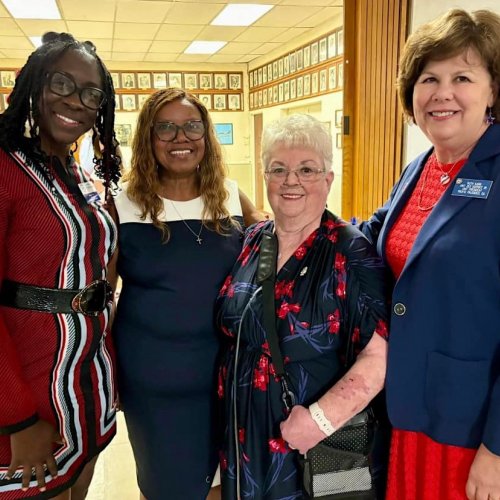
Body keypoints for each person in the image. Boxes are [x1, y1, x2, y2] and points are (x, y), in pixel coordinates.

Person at [360, 9, 500, 500]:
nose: (442, 93)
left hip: (470, 429)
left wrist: (497, 450)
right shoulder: (420, 168)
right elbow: (372, 234)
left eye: (462, 77)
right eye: (429, 78)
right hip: (408, 410)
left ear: (492, 91)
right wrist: (290, 225)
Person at [216, 114, 390, 499]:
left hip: (321, 443)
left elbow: (380, 356)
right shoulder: (254, 240)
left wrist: (319, 420)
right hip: (247, 440)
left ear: (328, 180)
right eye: (279, 169)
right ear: (265, 177)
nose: (291, 180)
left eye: (307, 169)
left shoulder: (352, 252)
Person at [112, 88, 265, 500]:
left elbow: (278, 250)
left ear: (205, 135)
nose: (181, 137)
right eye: (166, 127)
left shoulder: (232, 196)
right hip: (152, 378)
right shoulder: (121, 206)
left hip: (225, 376)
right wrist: (103, 371)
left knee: (221, 483)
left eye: (191, 126)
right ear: (148, 138)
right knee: (165, 484)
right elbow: (101, 298)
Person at [0, 32, 121, 499]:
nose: (77, 101)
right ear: (32, 84)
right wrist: (17, 417)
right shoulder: (6, 168)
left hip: (87, 385)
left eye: (92, 93)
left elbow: (101, 272)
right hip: (27, 392)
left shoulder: (79, 174)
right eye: (62, 84)